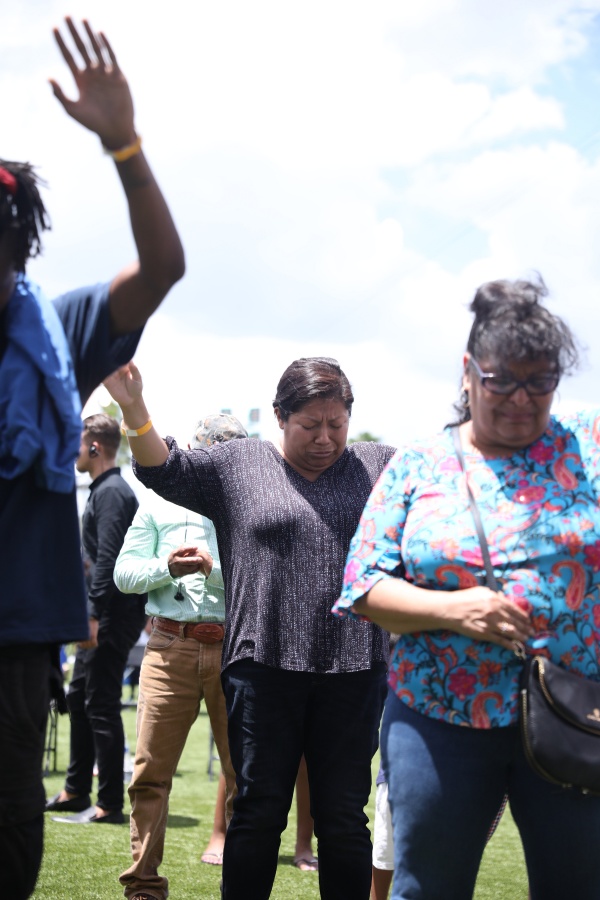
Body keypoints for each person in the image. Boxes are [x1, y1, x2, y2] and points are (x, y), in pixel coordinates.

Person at [333, 277, 600, 900]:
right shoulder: (420, 463)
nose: (521, 398)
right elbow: (363, 586)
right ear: (468, 372)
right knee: (427, 888)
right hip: (438, 716)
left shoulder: (588, 446)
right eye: (502, 380)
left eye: (540, 381)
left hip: (575, 712)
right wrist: (453, 609)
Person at [0, 17, 184, 897]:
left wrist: (124, 146)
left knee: (8, 830)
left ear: (15, 251)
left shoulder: (57, 330)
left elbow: (162, 267)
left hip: (14, 634)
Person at [104, 356, 396, 900]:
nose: (325, 438)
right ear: (280, 417)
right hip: (262, 669)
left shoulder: (378, 465)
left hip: (353, 668)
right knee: (258, 809)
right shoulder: (240, 464)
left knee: (342, 817)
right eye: (310, 425)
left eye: (337, 424)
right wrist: (134, 407)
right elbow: (162, 468)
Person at [113, 413, 247, 900]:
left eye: (226, 455)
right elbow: (124, 574)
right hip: (170, 645)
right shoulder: (156, 502)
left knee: (246, 779)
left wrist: (213, 572)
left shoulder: (248, 505)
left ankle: (242, 886)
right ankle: (143, 886)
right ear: (192, 452)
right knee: (150, 773)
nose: (216, 463)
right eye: (209, 453)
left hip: (236, 648)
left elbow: (266, 580)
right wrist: (166, 568)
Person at [47, 414, 147, 823]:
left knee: (100, 702)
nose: (72, 450)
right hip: (104, 612)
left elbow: (108, 560)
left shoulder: (112, 494)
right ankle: (76, 790)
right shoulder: (104, 490)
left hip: (111, 615)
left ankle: (108, 804)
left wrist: (91, 615)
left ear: (94, 446)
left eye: (77, 441)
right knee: (78, 697)